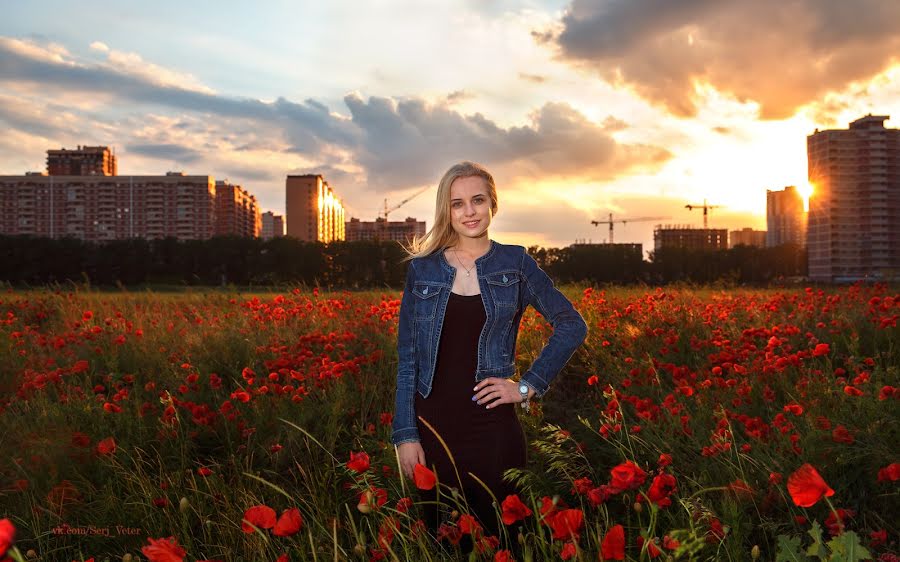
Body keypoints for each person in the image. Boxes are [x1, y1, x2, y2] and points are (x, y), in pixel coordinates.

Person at [391, 161, 588, 545]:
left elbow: (571, 324)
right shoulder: (423, 270)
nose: (469, 211)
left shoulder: (516, 263)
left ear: (492, 204)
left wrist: (527, 387)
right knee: (445, 540)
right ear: (445, 210)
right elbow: (408, 361)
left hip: (492, 427)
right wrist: (405, 435)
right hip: (432, 428)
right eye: (457, 203)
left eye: (477, 200)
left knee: (502, 539)